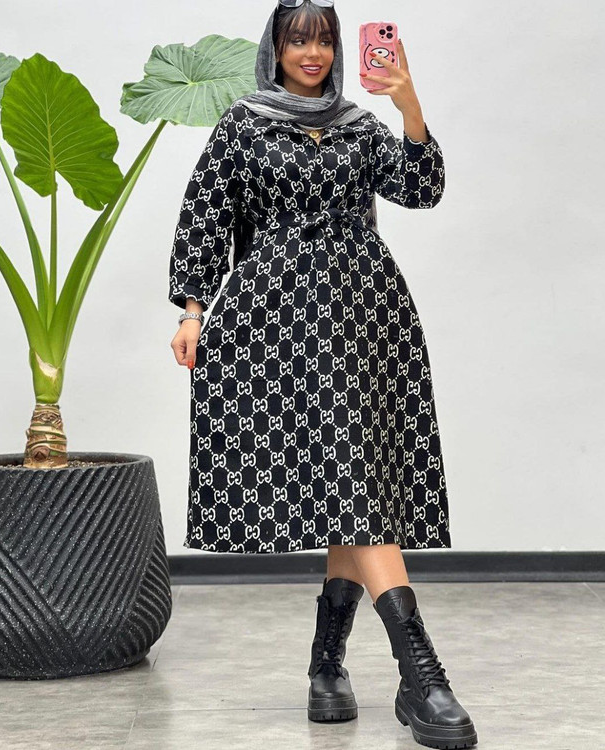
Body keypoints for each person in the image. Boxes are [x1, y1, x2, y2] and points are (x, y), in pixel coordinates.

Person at [169, 1, 477, 747]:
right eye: (297, 39)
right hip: (276, 319)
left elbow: (421, 187)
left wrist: (406, 100)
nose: (311, 53)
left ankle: (327, 667)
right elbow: (205, 214)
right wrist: (192, 309)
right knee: (351, 480)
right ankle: (423, 679)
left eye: (324, 40)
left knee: (352, 479)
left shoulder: (358, 124)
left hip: (363, 313)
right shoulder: (243, 125)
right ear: (274, 47)